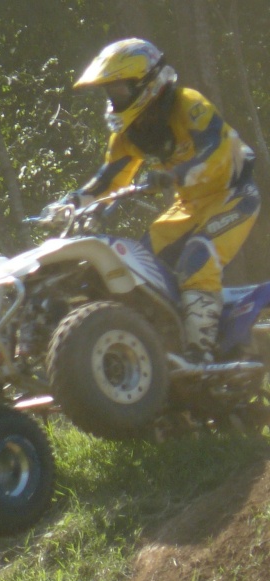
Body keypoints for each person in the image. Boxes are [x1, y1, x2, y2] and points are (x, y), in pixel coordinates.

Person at [57, 38, 261, 363]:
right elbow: (109, 181)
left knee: (198, 257)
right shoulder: (128, 133)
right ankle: (160, 349)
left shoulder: (187, 103)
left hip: (233, 195)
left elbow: (220, 151)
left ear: (146, 82)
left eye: (120, 90)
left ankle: (201, 354)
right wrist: (69, 203)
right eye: (109, 92)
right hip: (189, 205)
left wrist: (176, 173)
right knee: (139, 265)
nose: (113, 98)